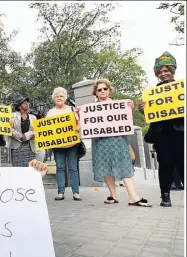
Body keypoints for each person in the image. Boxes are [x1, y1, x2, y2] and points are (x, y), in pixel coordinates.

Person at [82, 78, 151, 207]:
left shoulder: (119, 105)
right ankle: (113, 196)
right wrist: (79, 114)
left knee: (124, 165)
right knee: (105, 167)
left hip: (117, 140)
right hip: (101, 142)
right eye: (99, 89)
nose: (102, 91)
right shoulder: (90, 109)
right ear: (95, 93)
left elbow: (125, 120)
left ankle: (133, 196)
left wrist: (129, 109)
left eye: (105, 89)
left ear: (109, 90)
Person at [138, 52, 184, 207]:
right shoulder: (151, 93)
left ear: (173, 71)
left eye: (166, 71)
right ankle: (165, 196)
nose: (163, 74)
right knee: (165, 163)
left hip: (181, 132)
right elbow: (149, 115)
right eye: (160, 72)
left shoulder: (182, 89)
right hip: (161, 134)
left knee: (183, 163)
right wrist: (142, 109)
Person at [47, 87, 81, 201]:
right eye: (57, 96)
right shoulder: (51, 112)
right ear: (54, 99)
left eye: (61, 96)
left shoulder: (71, 109)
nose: (59, 98)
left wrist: (77, 128)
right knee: (60, 168)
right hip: (58, 146)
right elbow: (47, 128)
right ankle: (60, 192)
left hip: (72, 144)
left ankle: (76, 192)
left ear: (65, 98)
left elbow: (79, 124)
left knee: (73, 168)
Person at [9, 97, 37, 167]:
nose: (27, 104)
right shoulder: (13, 116)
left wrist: (28, 135)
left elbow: (36, 130)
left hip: (30, 146)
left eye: (27, 103)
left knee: (30, 168)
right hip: (17, 146)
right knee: (18, 168)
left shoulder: (33, 117)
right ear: (19, 106)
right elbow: (9, 128)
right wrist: (19, 136)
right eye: (24, 103)